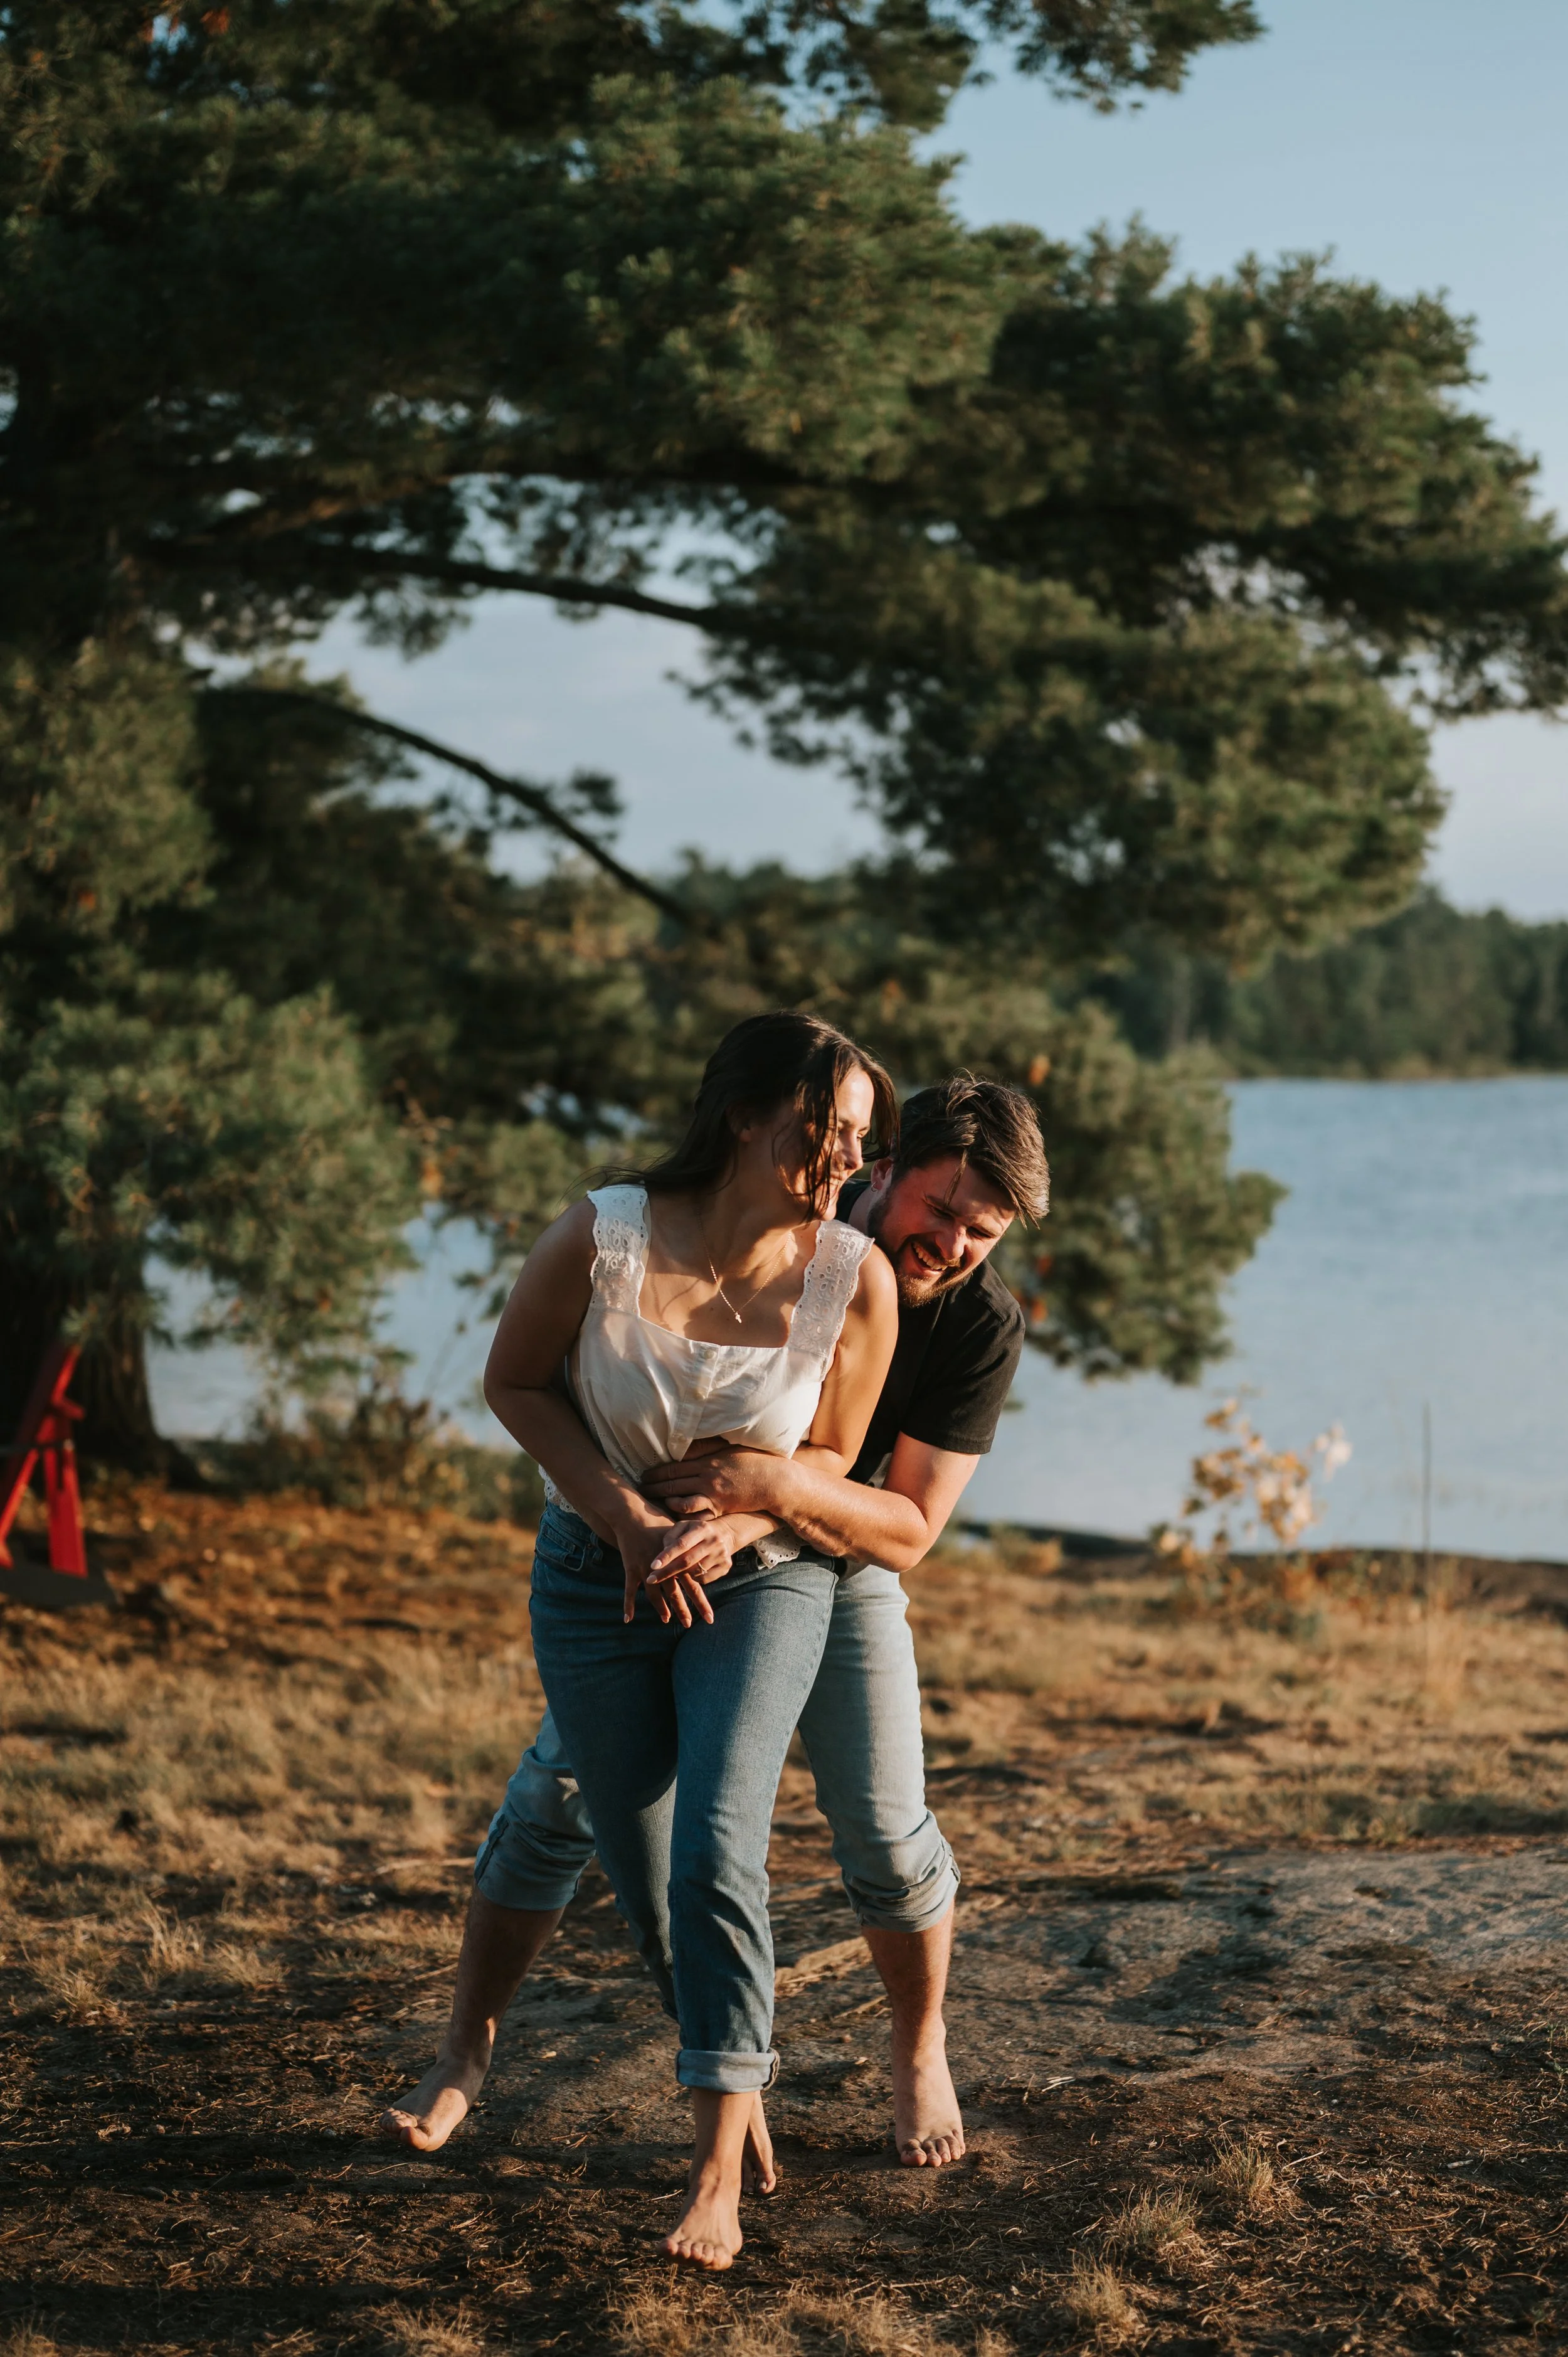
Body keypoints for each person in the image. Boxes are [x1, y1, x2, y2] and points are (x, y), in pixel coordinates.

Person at [382, 1076, 1049, 2182]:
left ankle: (921, 2046)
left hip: (833, 1566)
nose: (957, 1245)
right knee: (557, 1798)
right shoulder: (794, 1229)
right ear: (882, 1169)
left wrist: (768, 1495)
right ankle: (465, 2049)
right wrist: (661, 1517)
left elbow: (911, 1525)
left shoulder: (978, 1321)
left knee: (883, 1829)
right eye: (941, 1211)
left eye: (985, 1231)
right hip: (671, 1554)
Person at [421, 1011, 900, 2271]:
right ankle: (736, 2100)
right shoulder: (604, 1234)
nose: (842, 1155)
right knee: (641, 1880)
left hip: (761, 1586)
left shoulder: (855, 1276)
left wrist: (739, 1527)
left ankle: (711, 2183)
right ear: (744, 1115)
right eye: (819, 1128)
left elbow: (831, 1457)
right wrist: (628, 1522)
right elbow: (514, 1384)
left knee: (716, 1846)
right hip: (593, 1580)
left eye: (856, 1134)